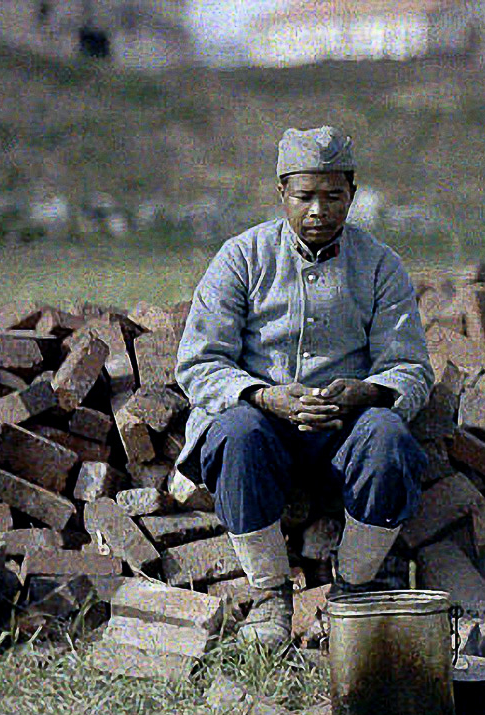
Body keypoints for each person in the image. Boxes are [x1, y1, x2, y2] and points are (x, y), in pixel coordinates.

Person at [175, 126, 434, 649]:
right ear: (282, 195)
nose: (318, 210)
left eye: (333, 196)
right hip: (265, 427)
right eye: (305, 196)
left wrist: (362, 393)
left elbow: (410, 368)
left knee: (387, 437)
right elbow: (199, 363)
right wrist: (266, 396)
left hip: (344, 432)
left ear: (352, 195)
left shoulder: (381, 265)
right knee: (233, 433)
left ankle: (352, 595)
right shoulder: (241, 257)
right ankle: (270, 597)